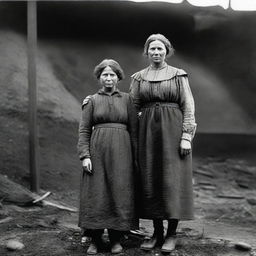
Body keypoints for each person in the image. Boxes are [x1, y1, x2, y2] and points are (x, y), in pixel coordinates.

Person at [129, 34, 197, 252]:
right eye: (152, 49)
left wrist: (186, 136)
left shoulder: (178, 75)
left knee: (171, 180)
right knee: (151, 180)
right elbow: (131, 106)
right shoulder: (139, 78)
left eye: (160, 49)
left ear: (167, 51)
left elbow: (188, 106)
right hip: (147, 131)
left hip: (173, 130)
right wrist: (94, 101)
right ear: (147, 52)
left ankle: (171, 234)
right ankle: (157, 233)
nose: (156, 53)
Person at [77, 59, 138, 254]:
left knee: (119, 193)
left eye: (112, 74)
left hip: (122, 153)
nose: (109, 78)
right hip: (97, 152)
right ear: (99, 78)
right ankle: (95, 240)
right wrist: (85, 156)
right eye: (105, 74)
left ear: (118, 77)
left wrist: (135, 158)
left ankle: (115, 240)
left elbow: (134, 131)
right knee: (96, 194)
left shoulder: (127, 99)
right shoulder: (92, 101)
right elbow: (84, 130)